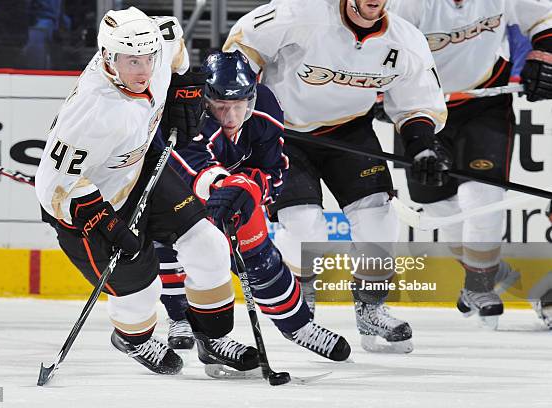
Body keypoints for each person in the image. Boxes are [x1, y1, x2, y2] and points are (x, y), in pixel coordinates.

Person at [35, 7, 259, 376]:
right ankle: (134, 340)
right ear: (109, 59)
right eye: (132, 61)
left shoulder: (159, 42)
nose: (143, 71)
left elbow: (175, 44)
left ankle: (212, 339)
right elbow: (52, 189)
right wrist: (102, 219)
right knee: (141, 291)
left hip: (138, 169)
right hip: (89, 209)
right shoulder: (91, 112)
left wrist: (184, 87)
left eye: (148, 59)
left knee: (210, 245)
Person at [222, 0, 449, 353]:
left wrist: (422, 148)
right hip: (284, 133)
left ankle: (371, 308)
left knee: (379, 219)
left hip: (349, 132)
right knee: (306, 227)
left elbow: (416, 103)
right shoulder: (303, 12)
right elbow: (243, 44)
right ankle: (300, 302)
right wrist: (237, 103)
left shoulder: (405, 40)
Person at [158, 50, 351, 361]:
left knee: (258, 254)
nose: (231, 117)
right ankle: (189, 323)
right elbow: (190, 164)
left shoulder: (265, 104)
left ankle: (298, 325)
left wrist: (249, 189)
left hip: (234, 190)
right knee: (177, 246)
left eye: (238, 106)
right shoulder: (189, 111)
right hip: (180, 191)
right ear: (207, 101)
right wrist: (225, 185)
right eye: (221, 107)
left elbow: (274, 169)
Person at [388, 0, 552, 329]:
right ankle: (488, 270)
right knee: (438, 205)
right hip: (422, 109)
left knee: (482, 197)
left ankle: (478, 285)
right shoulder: (409, 5)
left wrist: (545, 52)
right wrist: (380, 91)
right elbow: (380, 48)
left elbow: (543, 17)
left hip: (485, 102)